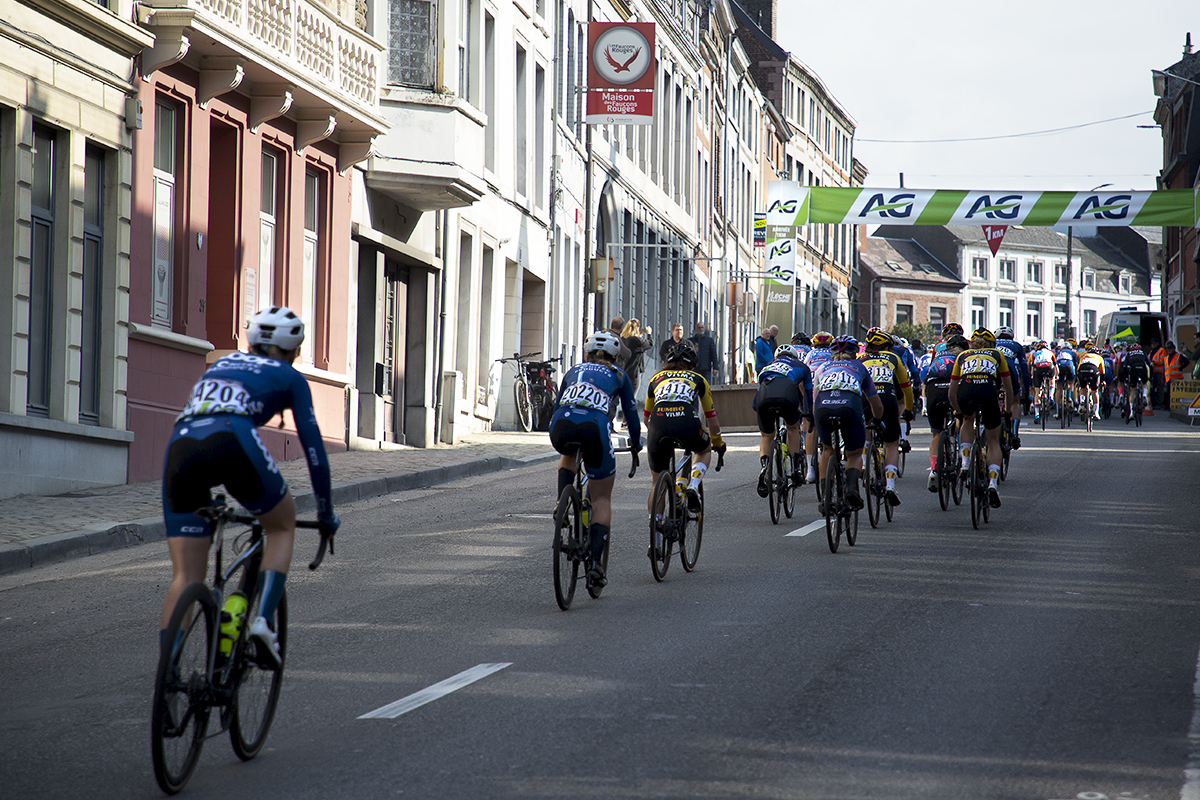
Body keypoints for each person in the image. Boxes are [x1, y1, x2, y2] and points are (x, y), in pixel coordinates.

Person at [160, 306, 340, 668]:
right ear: (295, 350)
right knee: (281, 524)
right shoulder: (289, 376)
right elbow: (314, 448)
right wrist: (325, 512)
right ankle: (262, 622)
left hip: (181, 446)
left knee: (185, 576)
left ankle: (170, 672)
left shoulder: (221, 365)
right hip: (233, 438)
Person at [548, 331, 642, 590]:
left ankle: (562, 502)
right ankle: (596, 566)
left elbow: (557, 405)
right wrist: (636, 443)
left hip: (561, 425)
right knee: (601, 498)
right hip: (595, 427)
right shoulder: (619, 376)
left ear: (587, 353)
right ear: (615, 357)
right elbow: (631, 416)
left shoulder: (573, 371)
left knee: (568, 453)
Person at [644, 340, 726, 518]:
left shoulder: (655, 379)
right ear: (692, 366)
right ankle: (693, 485)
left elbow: (646, 418)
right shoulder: (698, 379)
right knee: (704, 449)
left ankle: (655, 536)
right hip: (687, 421)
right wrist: (718, 443)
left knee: (657, 482)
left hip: (658, 425)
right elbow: (712, 420)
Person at [812, 335, 884, 513]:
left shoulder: (821, 368)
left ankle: (825, 498)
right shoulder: (860, 367)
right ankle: (852, 489)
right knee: (854, 453)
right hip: (849, 406)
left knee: (827, 450)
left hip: (823, 407)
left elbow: (814, 400)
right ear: (854, 353)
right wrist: (877, 420)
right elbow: (875, 402)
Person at [949, 328, 1015, 509]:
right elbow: (1008, 389)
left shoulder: (963, 356)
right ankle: (993, 483)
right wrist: (1007, 410)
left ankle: (964, 462)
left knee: (967, 421)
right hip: (988, 392)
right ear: (991, 344)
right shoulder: (996, 354)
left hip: (966, 392)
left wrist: (958, 412)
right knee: (993, 440)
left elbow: (952, 392)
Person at [859, 327, 914, 506]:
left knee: (867, 426)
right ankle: (890, 485)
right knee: (891, 443)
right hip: (888, 400)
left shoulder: (860, 359)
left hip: (865, 399)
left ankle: (865, 462)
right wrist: (909, 409)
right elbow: (906, 388)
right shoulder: (893, 358)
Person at [754, 343, 813, 495]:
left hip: (764, 399)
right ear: (794, 356)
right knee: (792, 428)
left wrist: (760, 413)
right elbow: (807, 393)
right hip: (787, 396)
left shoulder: (767, 368)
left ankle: (764, 468)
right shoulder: (801, 366)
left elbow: (755, 402)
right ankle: (794, 468)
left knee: (767, 436)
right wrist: (808, 413)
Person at [923, 334, 969, 491]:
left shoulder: (939, 354)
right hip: (953, 388)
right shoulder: (964, 356)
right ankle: (964, 459)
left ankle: (934, 470)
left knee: (936, 434)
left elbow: (925, 375)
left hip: (933, 388)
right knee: (964, 421)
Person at [994, 325, 1029, 447]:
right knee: (1015, 402)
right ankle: (1014, 433)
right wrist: (1026, 393)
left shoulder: (992, 343)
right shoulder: (1017, 345)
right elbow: (1024, 370)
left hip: (994, 369)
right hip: (1010, 369)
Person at [1117, 341, 1150, 422]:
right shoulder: (1143, 353)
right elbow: (1149, 364)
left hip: (1133, 371)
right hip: (1142, 369)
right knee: (1144, 383)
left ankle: (1131, 412)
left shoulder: (1128, 354)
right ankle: (1144, 396)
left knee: (1133, 389)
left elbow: (1124, 365)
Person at [620, 318, 654, 397]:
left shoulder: (622, 339)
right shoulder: (637, 341)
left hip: (623, 370)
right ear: (637, 328)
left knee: (624, 395)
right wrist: (649, 334)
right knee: (632, 395)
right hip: (634, 372)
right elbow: (650, 344)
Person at [1029, 340, 1058, 422]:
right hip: (1049, 366)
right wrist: (1056, 375)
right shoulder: (1051, 353)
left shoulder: (1034, 354)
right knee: (1051, 379)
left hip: (1037, 368)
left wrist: (1032, 376)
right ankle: (1051, 396)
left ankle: (1037, 415)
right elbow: (1055, 366)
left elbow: (1032, 369)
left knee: (1037, 392)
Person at [1077, 345, 1105, 419]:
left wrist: (1078, 381)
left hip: (1082, 370)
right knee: (1094, 391)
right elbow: (1102, 372)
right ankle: (1096, 413)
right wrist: (1101, 382)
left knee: (1082, 388)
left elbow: (1078, 369)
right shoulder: (1099, 357)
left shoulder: (1084, 356)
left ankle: (1082, 401)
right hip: (1093, 370)